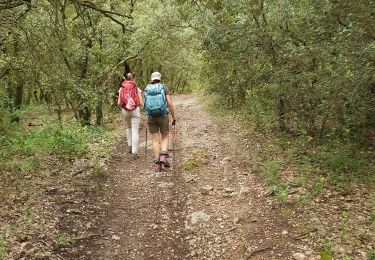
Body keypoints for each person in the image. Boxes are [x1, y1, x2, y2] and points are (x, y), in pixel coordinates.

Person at [144, 72, 176, 171]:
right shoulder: (163, 87)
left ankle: (158, 165)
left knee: (154, 140)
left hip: (151, 117)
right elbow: (169, 103)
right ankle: (163, 156)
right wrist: (173, 117)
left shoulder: (147, 89)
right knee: (165, 136)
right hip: (163, 115)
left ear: (151, 79)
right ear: (160, 78)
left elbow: (144, 104)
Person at [118, 73, 144, 160]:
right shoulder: (137, 88)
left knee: (128, 127)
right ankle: (134, 153)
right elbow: (140, 103)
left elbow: (119, 103)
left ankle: (129, 146)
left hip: (125, 111)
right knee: (135, 130)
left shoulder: (122, 88)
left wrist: (126, 105)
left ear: (125, 79)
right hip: (135, 111)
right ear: (133, 79)